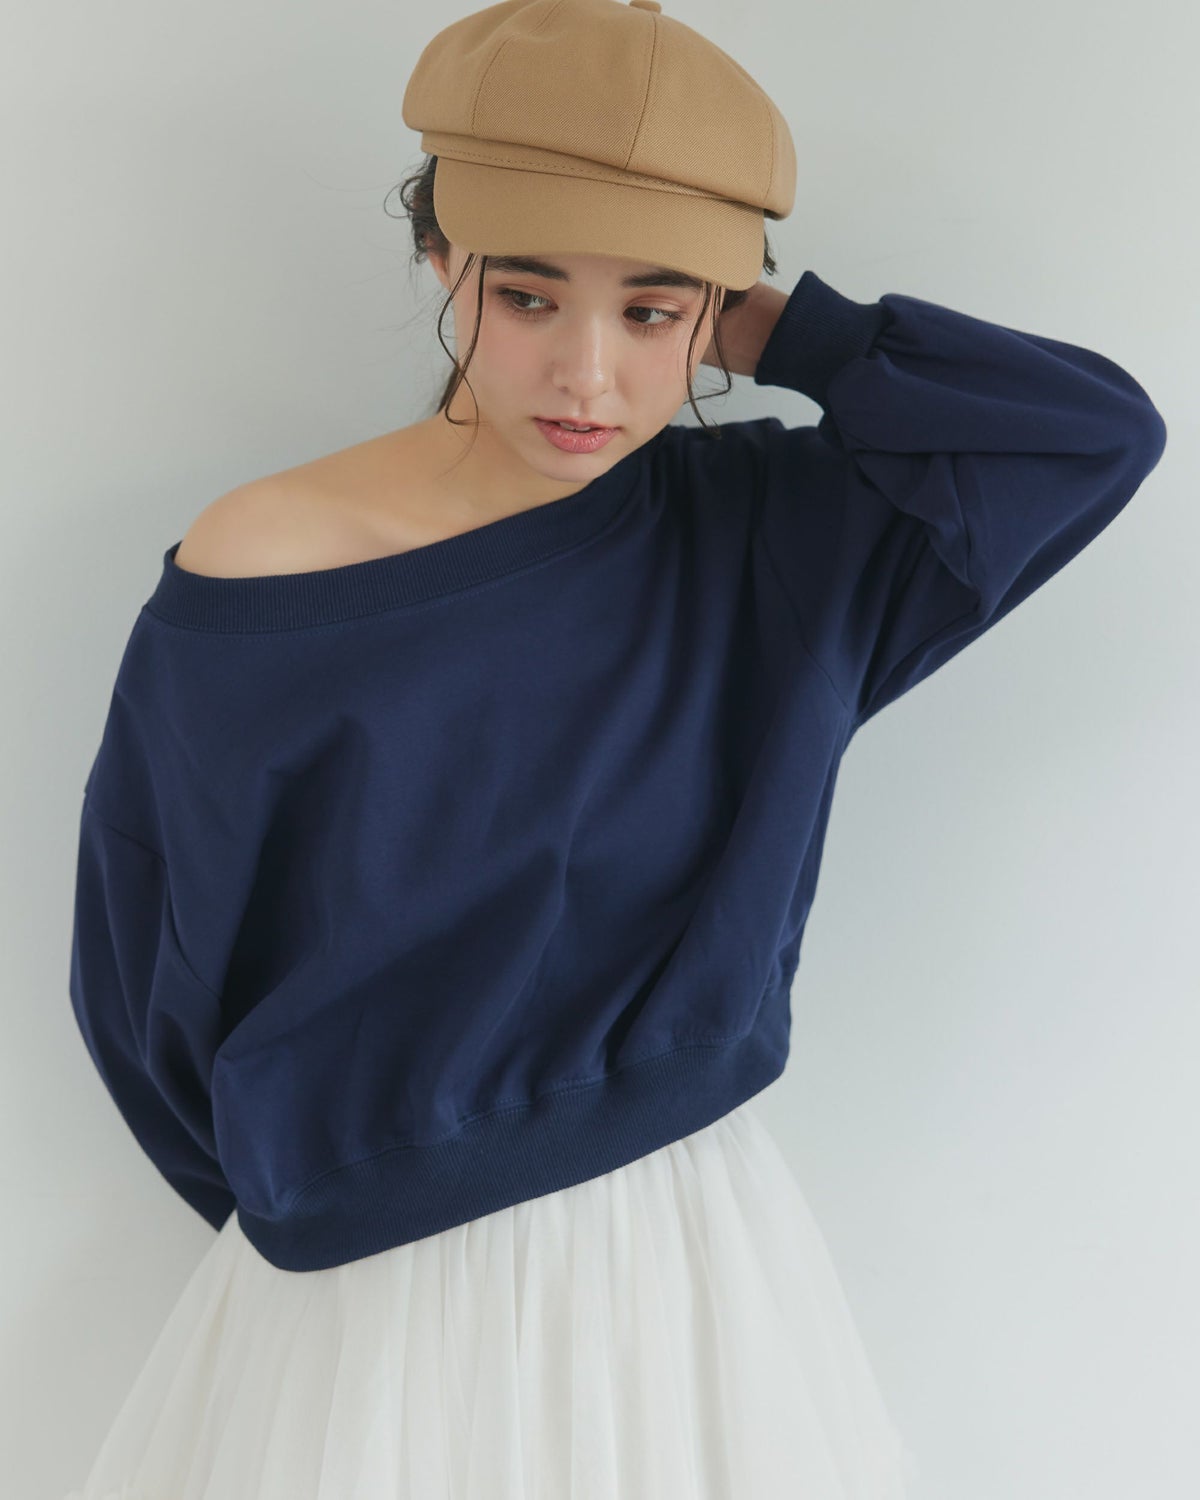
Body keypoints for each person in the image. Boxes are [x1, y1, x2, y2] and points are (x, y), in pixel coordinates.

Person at [62, 2, 1167, 1497]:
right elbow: (143, 969)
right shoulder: (265, 561)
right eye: (528, 296)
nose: (586, 375)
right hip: (356, 1292)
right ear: (441, 256)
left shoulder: (780, 544)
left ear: (722, 312)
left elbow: (1092, 436)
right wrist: (325, 1212)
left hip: (670, 1254)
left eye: (652, 314)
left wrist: (784, 326)